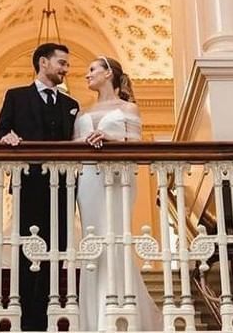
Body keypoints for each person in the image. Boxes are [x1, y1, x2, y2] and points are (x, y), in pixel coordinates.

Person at [0, 43, 80, 331]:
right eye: (62, 63)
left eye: (66, 64)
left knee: (57, 248)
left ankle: (48, 313)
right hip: (28, 187)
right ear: (43, 62)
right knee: (27, 250)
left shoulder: (71, 106)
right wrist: (7, 138)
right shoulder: (16, 96)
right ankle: (27, 318)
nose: (66, 69)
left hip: (63, 189)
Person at [74, 55, 163, 331]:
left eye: (92, 70)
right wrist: (85, 141)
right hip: (88, 179)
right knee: (93, 241)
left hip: (118, 178)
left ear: (108, 73)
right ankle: (93, 319)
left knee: (115, 236)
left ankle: (122, 314)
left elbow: (136, 143)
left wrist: (110, 139)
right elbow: (73, 145)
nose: (86, 75)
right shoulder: (81, 113)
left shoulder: (128, 108)